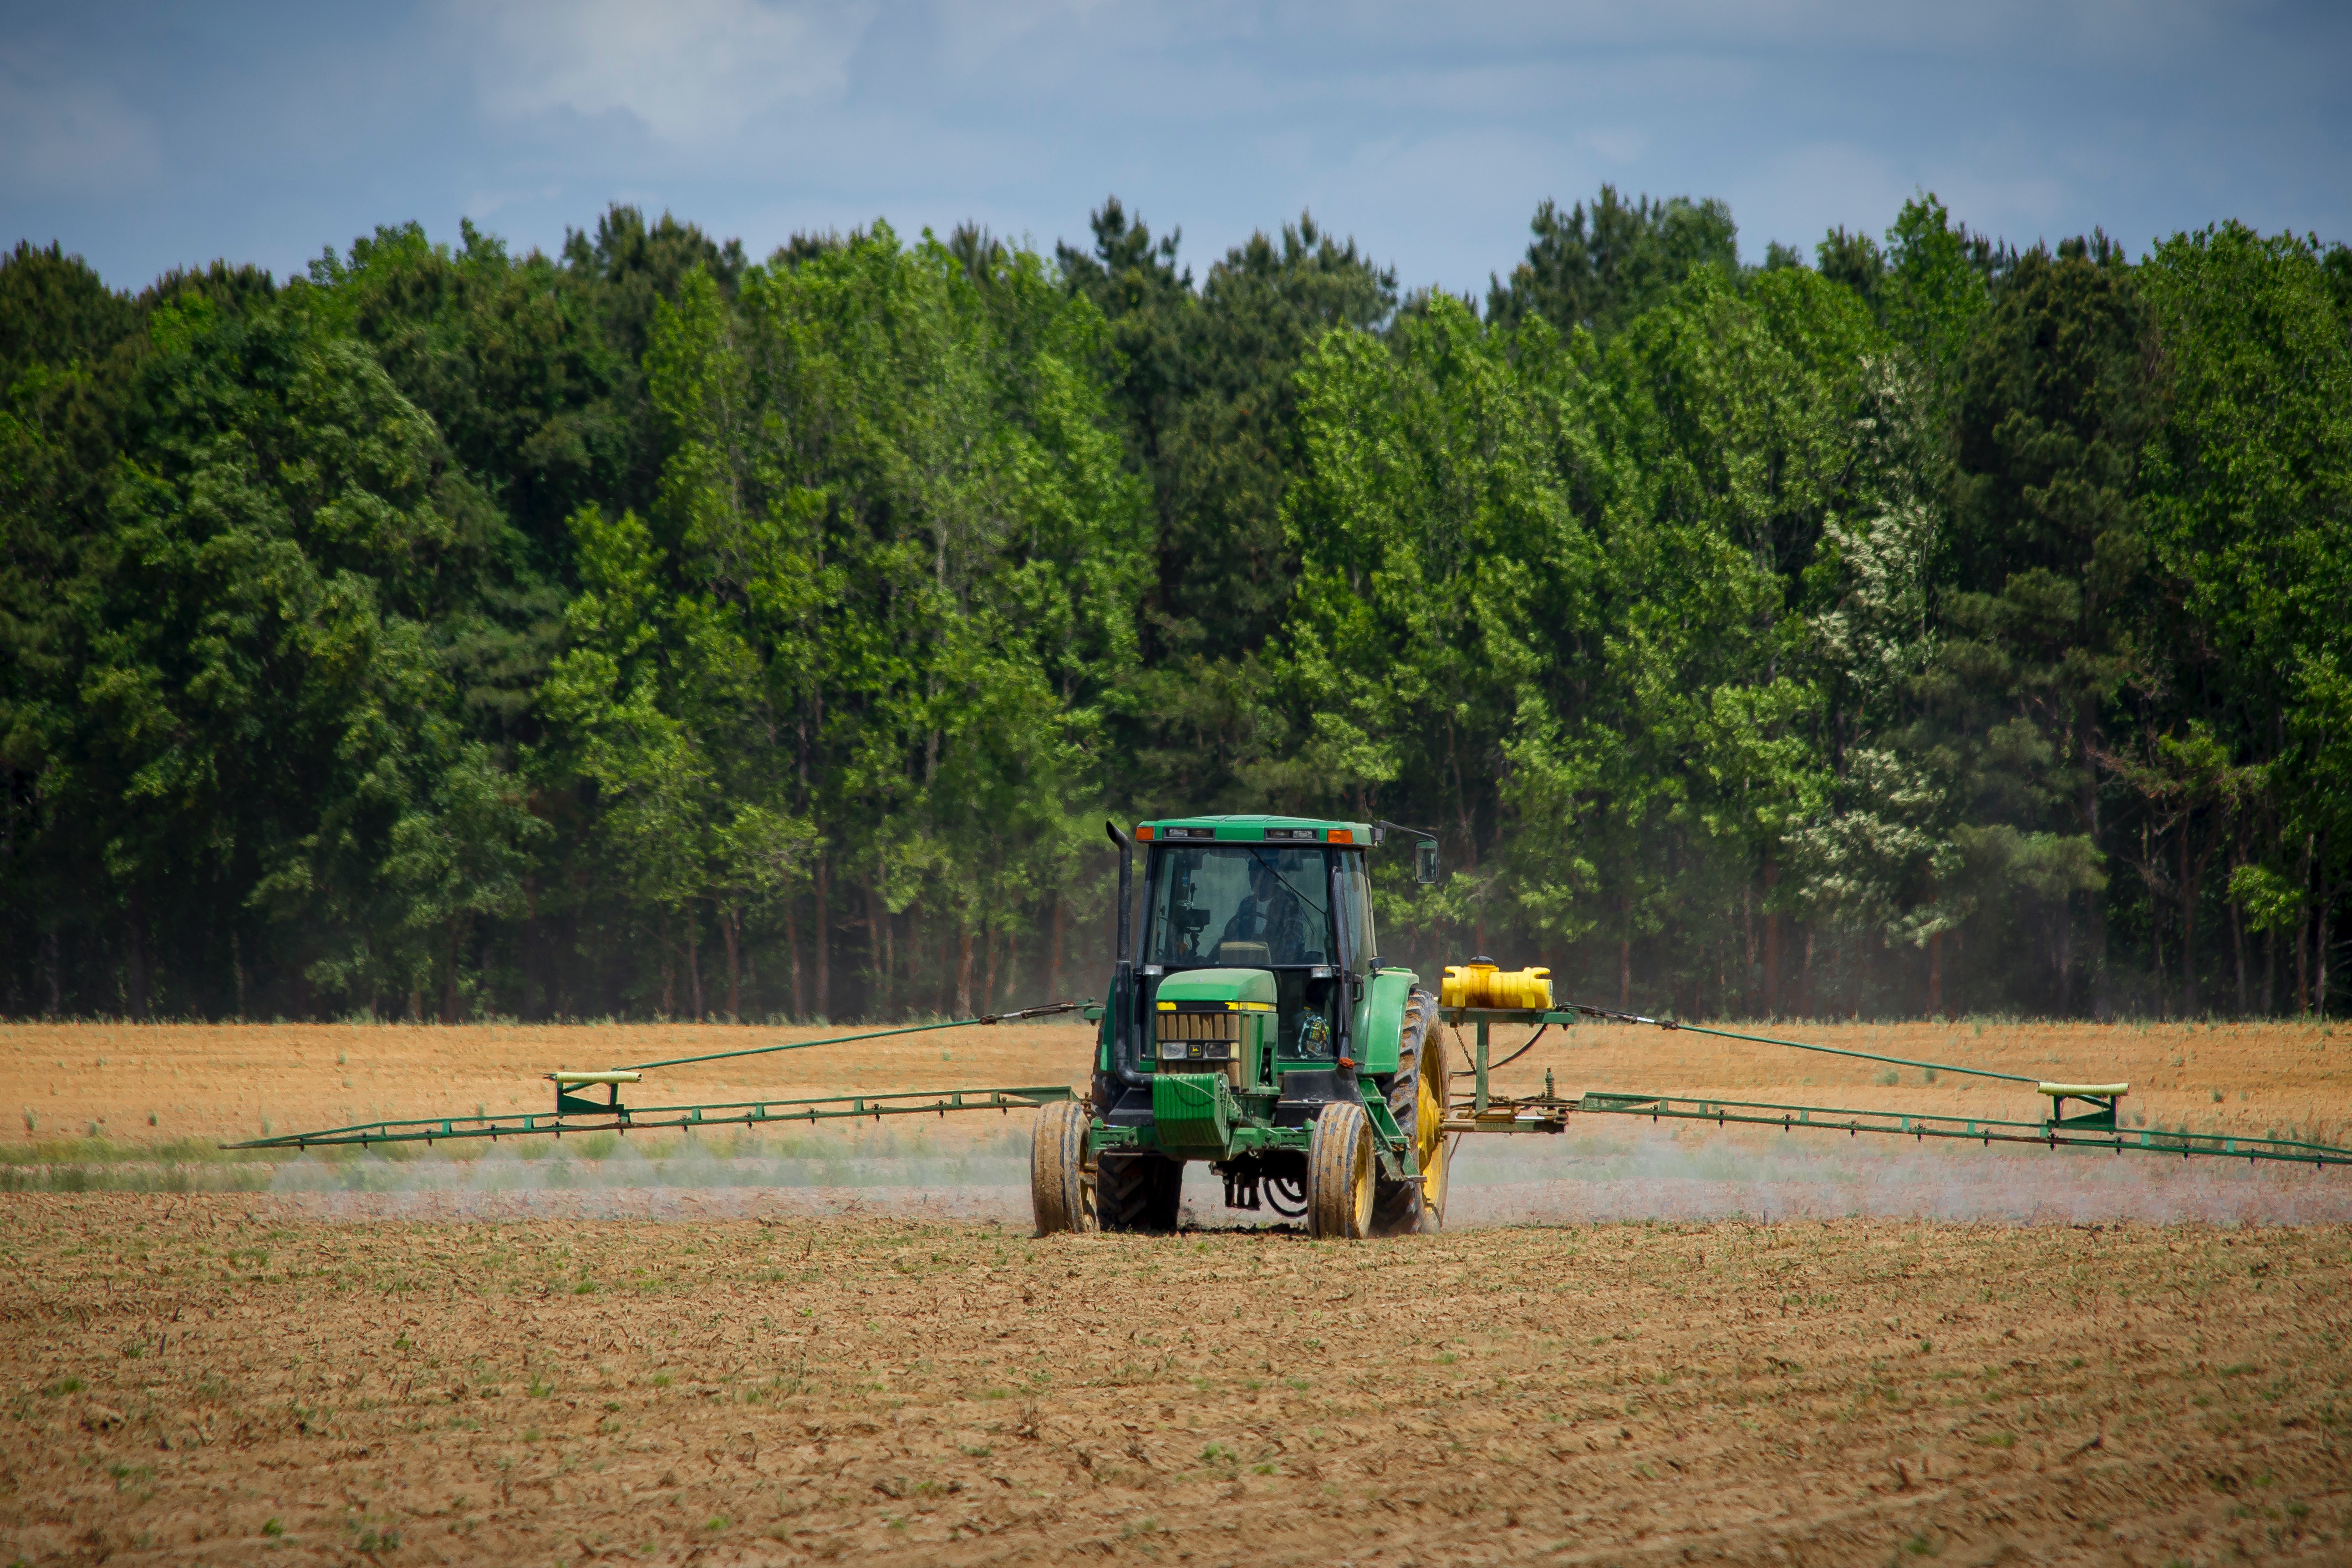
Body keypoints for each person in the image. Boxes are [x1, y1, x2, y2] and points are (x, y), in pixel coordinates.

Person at [1221, 854, 1310, 965]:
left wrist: (1263, 944)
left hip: (1281, 970)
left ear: (1272, 876)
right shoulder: (1247, 904)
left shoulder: (1289, 903)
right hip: (1246, 967)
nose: (1254, 880)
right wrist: (1211, 957)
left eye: (1259, 874)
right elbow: (1232, 934)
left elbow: (1292, 942)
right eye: (1251, 875)